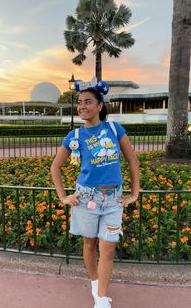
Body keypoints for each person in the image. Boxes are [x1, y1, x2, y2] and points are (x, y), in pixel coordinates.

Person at [51, 78, 139, 308]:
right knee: (89, 245)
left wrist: (134, 193)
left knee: (107, 249)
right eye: (80, 102)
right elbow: (55, 167)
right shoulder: (74, 136)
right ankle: (94, 282)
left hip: (113, 201)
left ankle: (101, 299)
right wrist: (63, 196)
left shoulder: (113, 129)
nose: (82, 106)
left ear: (100, 106)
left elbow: (132, 161)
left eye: (88, 102)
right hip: (86, 199)